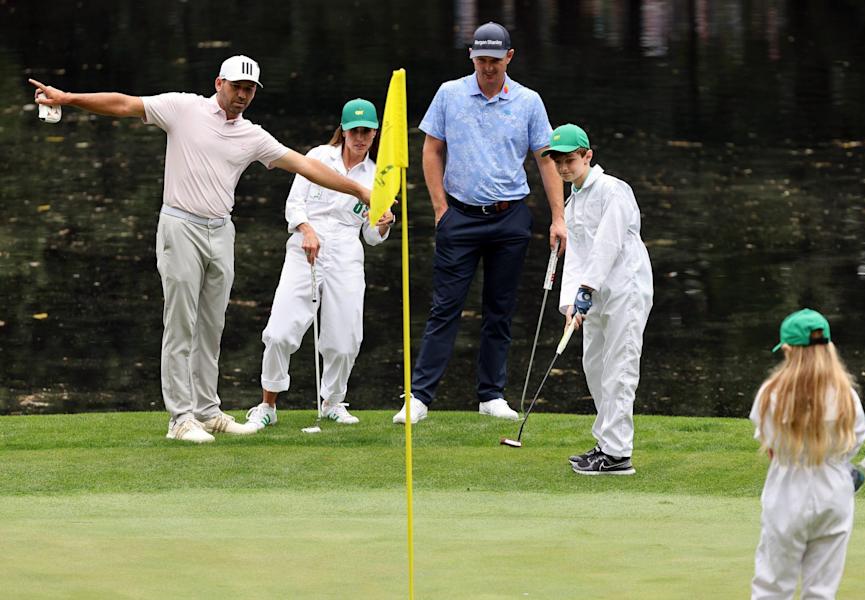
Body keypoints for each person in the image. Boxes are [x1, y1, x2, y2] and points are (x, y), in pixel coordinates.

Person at [30, 56, 371, 444]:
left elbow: (304, 166)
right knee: (180, 323)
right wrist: (68, 97)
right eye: (237, 87)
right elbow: (125, 104)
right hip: (180, 225)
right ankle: (180, 418)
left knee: (212, 325)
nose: (242, 95)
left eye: (250, 90)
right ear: (219, 83)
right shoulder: (184, 108)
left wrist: (358, 189)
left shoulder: (252, 135)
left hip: (221, 231)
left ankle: (207, 411)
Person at [393, 21, 567, 424]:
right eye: (480, 60)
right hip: (461, 216)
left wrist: (558, 216)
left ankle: (491, 395)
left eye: (494, 60)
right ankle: (419, 397)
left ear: (509, 57)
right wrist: (439, 208)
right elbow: (432, 149)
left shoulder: (528, 101)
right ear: (471, 57)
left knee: (500, 309)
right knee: (445, 308)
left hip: (510, 218)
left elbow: (546, 158)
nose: (487, 68)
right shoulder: (450, 94)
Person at [245, 99, 393, 430]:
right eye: (354, 131)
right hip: (306, 245)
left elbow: (371, 235)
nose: (360, 138)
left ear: (374, 134)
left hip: (346, 250)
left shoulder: (378, 176)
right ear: (342, 131)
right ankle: (267, 404)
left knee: (345, 339)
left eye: (366, 132)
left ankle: (332, 402)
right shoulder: (317, 157)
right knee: (280, 332)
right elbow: (294, 203)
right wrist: (306, 229)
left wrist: (384, 222)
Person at [542, 124, 654, 475]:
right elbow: (576, 256)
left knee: (619, 369)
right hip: (595, 297)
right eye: (558, 162)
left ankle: (618, 454)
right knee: (595, 366)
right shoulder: (574, 202)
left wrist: (586, 289)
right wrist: (570, 304)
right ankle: (605, 444)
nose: (563, 168)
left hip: (625, 290)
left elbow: (608, 244)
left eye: (570, 160)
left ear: (588, 156)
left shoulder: (612, 190)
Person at [750, 308, 865, 599]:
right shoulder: (846, 394)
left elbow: (769, 443)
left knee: (773, 586)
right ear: (828, 346)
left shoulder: (772, 393)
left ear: (789, 350)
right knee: (821, 590)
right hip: (835, 493)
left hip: (787, 492)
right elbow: (856, 440)